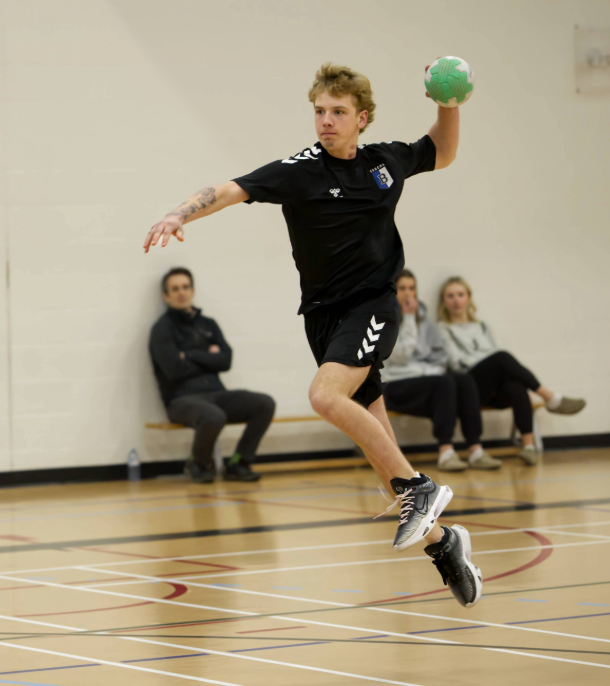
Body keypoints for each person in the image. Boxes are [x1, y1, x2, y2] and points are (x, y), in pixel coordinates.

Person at [142, 63, 482, 608]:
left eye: (338, 112)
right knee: (381, 458)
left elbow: (442, 151)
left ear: (361, 118)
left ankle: (420, 489)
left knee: (324, 397)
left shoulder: (384, 163)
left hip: (372, 305)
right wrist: (178, 213)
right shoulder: (299, 171)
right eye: (320, 111)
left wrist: (449, 104)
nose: (326, 120)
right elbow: (230, 189)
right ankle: (444, 543)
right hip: (322, 319)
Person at [437, 276, 586, 466]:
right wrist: (489, 364)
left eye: (460, 294)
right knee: (502, 358)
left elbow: (495, 353)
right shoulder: (442, 328)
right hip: (469, 386)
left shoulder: (482, 326)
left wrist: (495, 368)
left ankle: (529, 447)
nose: (456, 300)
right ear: (443, 301)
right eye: (450, 296)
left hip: (493, 384)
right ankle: (550, 397)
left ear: (469, 297)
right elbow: (456, 363)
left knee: (516, 386)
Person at [148, 267, 276, 483]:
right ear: (166, 296)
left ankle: (239, 462)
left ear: (193, 290)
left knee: (264, 403)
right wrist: (209, 356)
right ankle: (197, 463)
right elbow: (174, 369)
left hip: (216, 393)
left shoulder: (208, 324)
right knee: (213, 416)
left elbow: (226, 360)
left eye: (185, 287)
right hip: (181, 400)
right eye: (175, 289)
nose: (181, 292)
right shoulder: (162, 329)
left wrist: (189, 354)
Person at [382, 270, 499, 471]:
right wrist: (408, 319)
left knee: (463, 380)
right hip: (393, 384)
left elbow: (440, 358)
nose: (408, 294)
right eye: (402, 288)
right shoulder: (384, 321)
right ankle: (445, 451)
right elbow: (401, 357)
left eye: (412, 288)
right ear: (393, 291)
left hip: (424, 380)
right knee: (443, 382)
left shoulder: (426, 323)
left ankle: (475, 449)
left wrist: (428, 369)